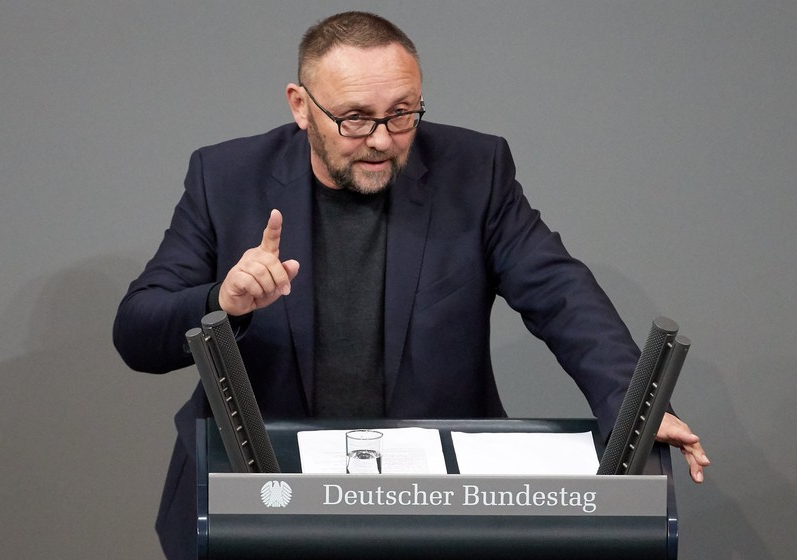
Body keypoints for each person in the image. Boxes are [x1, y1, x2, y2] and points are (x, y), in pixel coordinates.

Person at [113, 11, 709, 560]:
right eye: (355, 118)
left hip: (431, 510)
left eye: (402, 114)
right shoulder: (225, 177)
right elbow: (139, 332)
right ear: (301, 105)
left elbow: (559, 291)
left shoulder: (475, 169)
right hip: (259, 500)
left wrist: (634, 407)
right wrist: (224, 302)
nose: (381, 139)